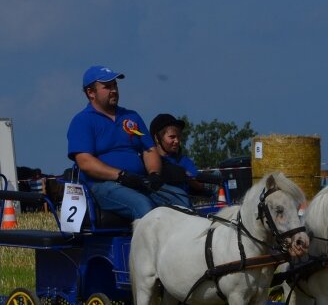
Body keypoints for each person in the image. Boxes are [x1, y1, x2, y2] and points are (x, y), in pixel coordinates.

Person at [67, 66, 191, 221]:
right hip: (101, 186)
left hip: (138, 181)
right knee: (142, 205)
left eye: (115, 85)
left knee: (181, 199)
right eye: (107, 87)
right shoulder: (82, 121)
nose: (114, 90)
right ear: (91, 93)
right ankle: (150, 245)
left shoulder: (131, 117)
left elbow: (149, 150)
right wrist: (121, 176)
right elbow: (85, 162)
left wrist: (154, 174)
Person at [149, 113, 217, 196]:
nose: (177, 141)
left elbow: (199, 185)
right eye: (172, 137)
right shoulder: (149, 162)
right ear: (157, 138)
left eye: (178, 137)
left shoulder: (184, 161)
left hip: (183, 203)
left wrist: (185, 175)